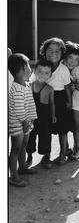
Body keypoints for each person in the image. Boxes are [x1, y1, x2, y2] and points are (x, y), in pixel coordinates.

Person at [37, 37, 73, 165]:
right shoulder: (41, 66)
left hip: (60, 99)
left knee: (62, 129)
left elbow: (67, 86)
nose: (53, 53)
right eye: (50, 50)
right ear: (44, 51)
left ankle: (63, 153)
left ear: (62, 52)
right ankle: (46, 155)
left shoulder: (63, 69)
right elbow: (33, 81)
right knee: (46, 129)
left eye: (57, 51)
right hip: (45, 100)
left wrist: (70, 102)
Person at [8, 53, 37, 187]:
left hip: (26, 123)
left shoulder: (25, 84)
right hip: (19, 124)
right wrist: (25, 122)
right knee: (16, 149)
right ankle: (13, 176)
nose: (31, 69)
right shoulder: (17, 89)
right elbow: (19, 109)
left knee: (23, 146)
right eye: (29, 65)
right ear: (24, 69)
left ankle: (23, 167)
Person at [26, 59, 56, 169]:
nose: (42, 75)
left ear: (50, 75)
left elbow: (52, 104)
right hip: (31, 118)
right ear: (34, 71)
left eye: (46, 73)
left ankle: (47, 156)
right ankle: (29, 156)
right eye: (39, 71)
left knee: (46, 136)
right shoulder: (28, 86)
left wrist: (53, 115)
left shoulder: (50, 89)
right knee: (30, 137)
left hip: (45, 117)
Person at [63, 41, 79, 153]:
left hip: (76, 100)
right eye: (70, 58)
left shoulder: (77, 70)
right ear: (65, 57)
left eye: (77, 59)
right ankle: (65, 147)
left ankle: (76, 144)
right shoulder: (61, 68)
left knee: (77, 123)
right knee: (65, 124)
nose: (73, 62)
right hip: (63, 99)